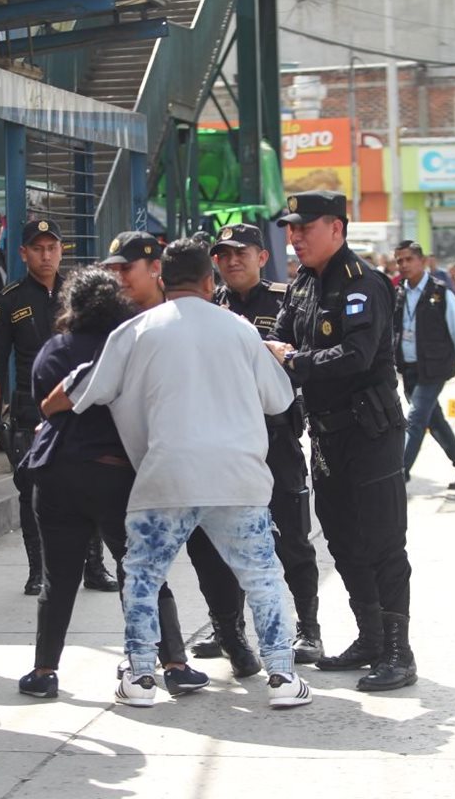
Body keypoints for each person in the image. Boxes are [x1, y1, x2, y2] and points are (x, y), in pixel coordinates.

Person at [42, 238, 311, 709]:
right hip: (238, 477)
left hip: (166, 474)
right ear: (210, 281)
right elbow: (279, 399)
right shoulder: (241, 330)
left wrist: (48, 406)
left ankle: (141, 678)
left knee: (142, 575)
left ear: (163, 281)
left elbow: (85, 391)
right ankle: (283, 677)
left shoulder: (135, 331)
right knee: (262, 576)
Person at [20, 267, 207, 700]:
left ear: (71, 305)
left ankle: (44, 672)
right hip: (117, 477)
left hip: (57, 474)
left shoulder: (53, 349)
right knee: (143, 571)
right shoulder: (129, 348)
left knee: (58, 579)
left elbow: (43, 405)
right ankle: (175, 665)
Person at [267, 190, 416, 693]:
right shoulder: (302, 285)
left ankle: (399, 651)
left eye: (304, 227)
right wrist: (282, 354)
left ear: (336, 227)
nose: (295, 237)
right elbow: (279, 341)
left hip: (370, 432)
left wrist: (296, 360)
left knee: (383, 541)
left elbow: (356, 354)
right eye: (291, 228)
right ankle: (370, 638)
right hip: (326, 434)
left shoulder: (363, 283)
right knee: (342, 539)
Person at [102, 230, 261, 677]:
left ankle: (230, 634)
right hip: (135, 460)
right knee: (141, 563)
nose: (119, 279)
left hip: (194, 455)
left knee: (212, 554)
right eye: (113, 271)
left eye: (127, 269)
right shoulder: (116, 320)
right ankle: (160, 653)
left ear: (157, 270)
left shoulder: (199, 316)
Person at [202, 223, 324, 664]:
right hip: (225, 442)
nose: (232, 261)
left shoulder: (286, 300)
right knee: (222, 539)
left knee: (292, 538)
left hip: (275, 437)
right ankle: (227, 629)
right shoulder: (208, 307)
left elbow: (301, 363)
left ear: (262, 257)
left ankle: (308, 630)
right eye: (224, 255)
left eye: (242, 252)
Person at [0, 219, 118, 596]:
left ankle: (94, 567)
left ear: (61, 251)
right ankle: (38, 571)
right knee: (31, 491)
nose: (46, 255)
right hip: (30, 410)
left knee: (89, 487)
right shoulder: (11, 300)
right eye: (37, 248)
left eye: (52, 248)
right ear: (23, 253)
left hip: (79, 405)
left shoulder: (78, 293)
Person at [393, 241, 455, 489]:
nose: (404, 265)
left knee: (415, 419)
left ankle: (399, 474)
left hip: (434, 368)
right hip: (408, 368)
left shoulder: (441, 294)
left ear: (422, 261)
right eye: (399, 261)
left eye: (409, 259)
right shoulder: (399, 293)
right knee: (434, 420)